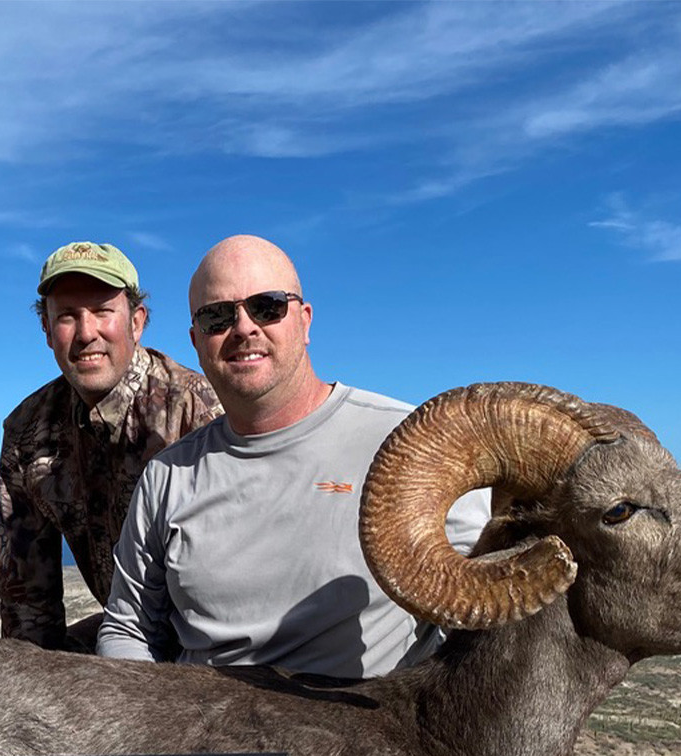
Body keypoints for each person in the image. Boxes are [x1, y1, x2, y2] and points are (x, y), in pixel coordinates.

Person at [97, 235, 491, 679]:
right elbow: (128, 627)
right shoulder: (167, 476)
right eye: (217, 316)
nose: (244, 328)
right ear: (196, 339)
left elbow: (477, 605)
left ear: (304, 321)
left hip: (364, 735)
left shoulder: (410, 443)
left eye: (267, 307)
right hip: (204, 736)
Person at [0, 241, 221, 650]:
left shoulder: (196, 409)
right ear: (47, 331)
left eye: (102, 312)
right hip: (124, 641)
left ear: (136, 322)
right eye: (67, 316)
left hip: (209, 649)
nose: (86, 333)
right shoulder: (26, 430)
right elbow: (27, 602)